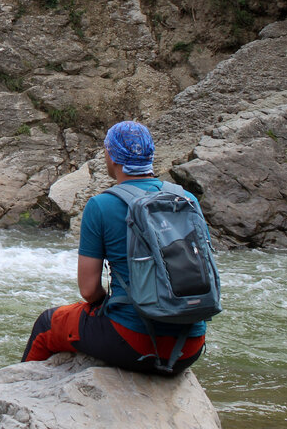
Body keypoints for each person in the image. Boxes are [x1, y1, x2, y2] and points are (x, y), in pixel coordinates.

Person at [22, 120, 208, 375]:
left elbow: (89, 291)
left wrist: (108, 304)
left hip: (132, 342)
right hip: (190, 345)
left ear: (112, 156)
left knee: (47, 323)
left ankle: (24, 391)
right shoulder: (187, 199)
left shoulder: (101, 205)